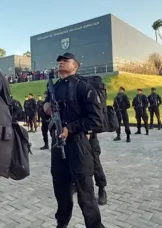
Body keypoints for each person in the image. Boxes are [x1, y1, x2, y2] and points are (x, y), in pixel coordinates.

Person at [44, 52, 105, 228]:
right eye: (60, 62)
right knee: (61, 191)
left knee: (86, 194)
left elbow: (96, 120)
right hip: (58, 145)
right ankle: (61, 223)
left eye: (66, 61)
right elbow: (47, 109)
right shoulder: (54, 87)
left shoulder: (84, 87)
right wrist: (46, 107)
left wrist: (69, 128)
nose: (61, 64)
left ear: (76, 66)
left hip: (78, 145)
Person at [89, 133, 107, 205]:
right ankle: (76, 184)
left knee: (96, 165)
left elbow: (97, 124)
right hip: (76, 140)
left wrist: (90, 132)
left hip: (91, 139)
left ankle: (101, 189)